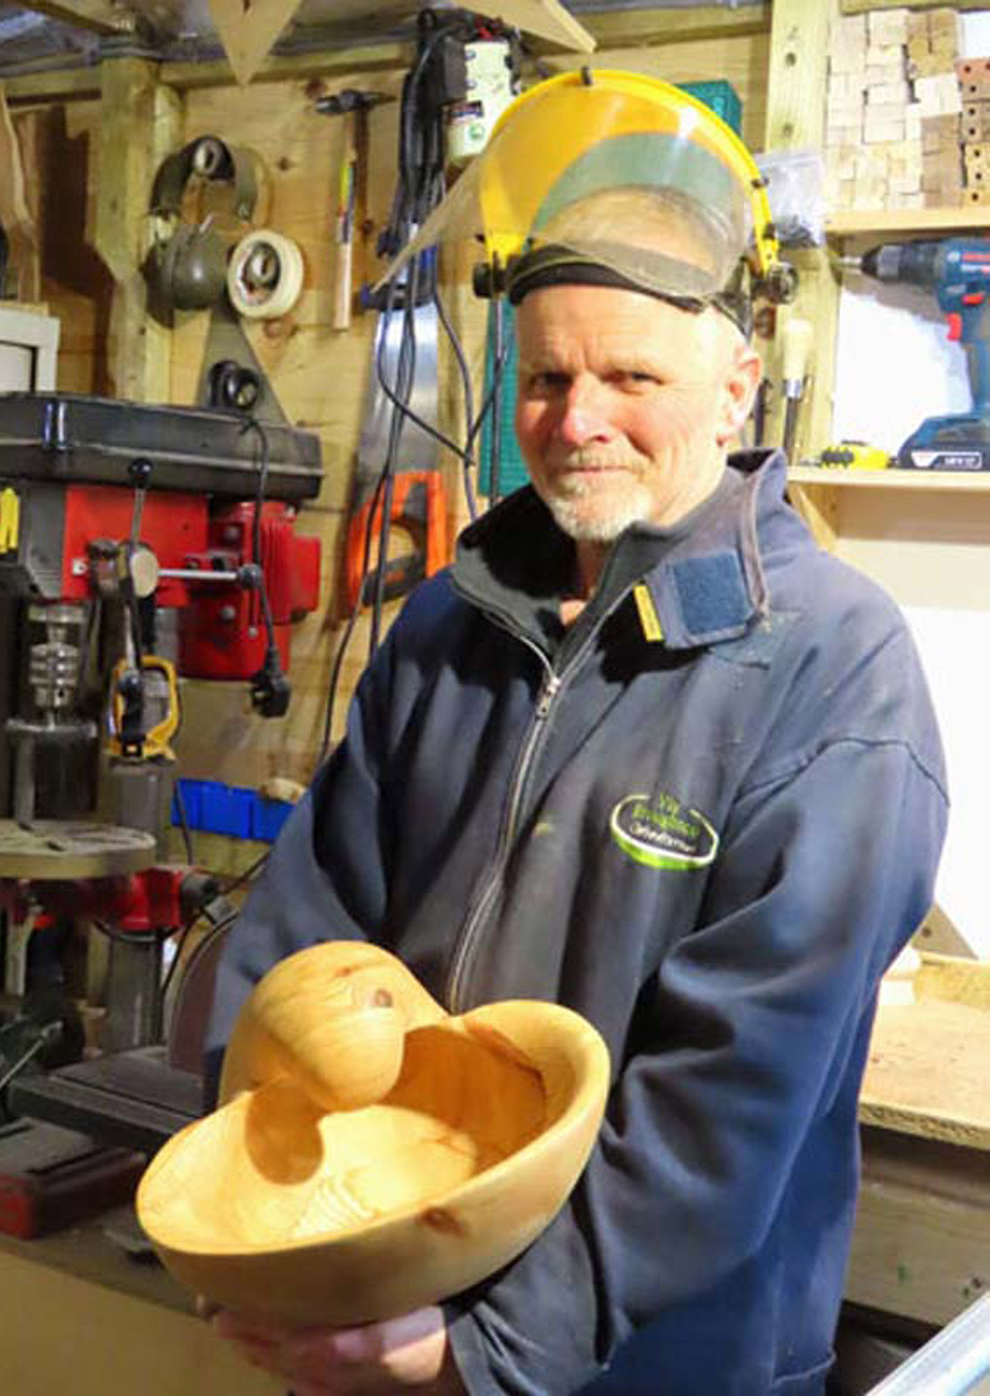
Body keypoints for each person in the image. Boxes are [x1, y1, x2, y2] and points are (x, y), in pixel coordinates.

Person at [203, 71, 948, 1396]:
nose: (575, 417)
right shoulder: (447, 626)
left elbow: (727, 1100)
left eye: (630, 374)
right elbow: (304, 938)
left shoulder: (835, 675)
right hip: (393, 1294)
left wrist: (483, 1353)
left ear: (734, 388)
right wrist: (274, 1212)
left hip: (654, 1366)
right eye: (545, 375)